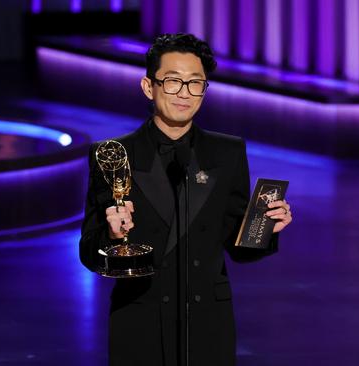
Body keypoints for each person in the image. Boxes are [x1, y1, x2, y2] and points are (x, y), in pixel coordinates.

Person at [79, 33, 293, 366]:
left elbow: (238, 248)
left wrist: (266, 227)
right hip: (140, 323)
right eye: (173, 82)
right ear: (149, 87)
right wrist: (112, 236)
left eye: (195, 83)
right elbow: (89, 253)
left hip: (208, 323)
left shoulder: (227, 153)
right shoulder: (114, 155)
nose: (184, 94)